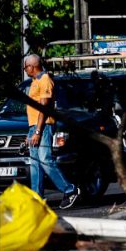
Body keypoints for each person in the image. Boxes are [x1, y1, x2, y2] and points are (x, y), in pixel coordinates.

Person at [24, 54, 80, 209]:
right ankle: (37, 198)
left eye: (25, 67)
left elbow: (44, 108)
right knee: (35, 163)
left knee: (45, 159)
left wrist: (37, 132)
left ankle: (70, 190)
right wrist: (31, 132)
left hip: (44, 125)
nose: (25, 70)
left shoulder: (45, 80)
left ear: (32, 66)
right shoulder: (35, 81)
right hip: (34, 126)